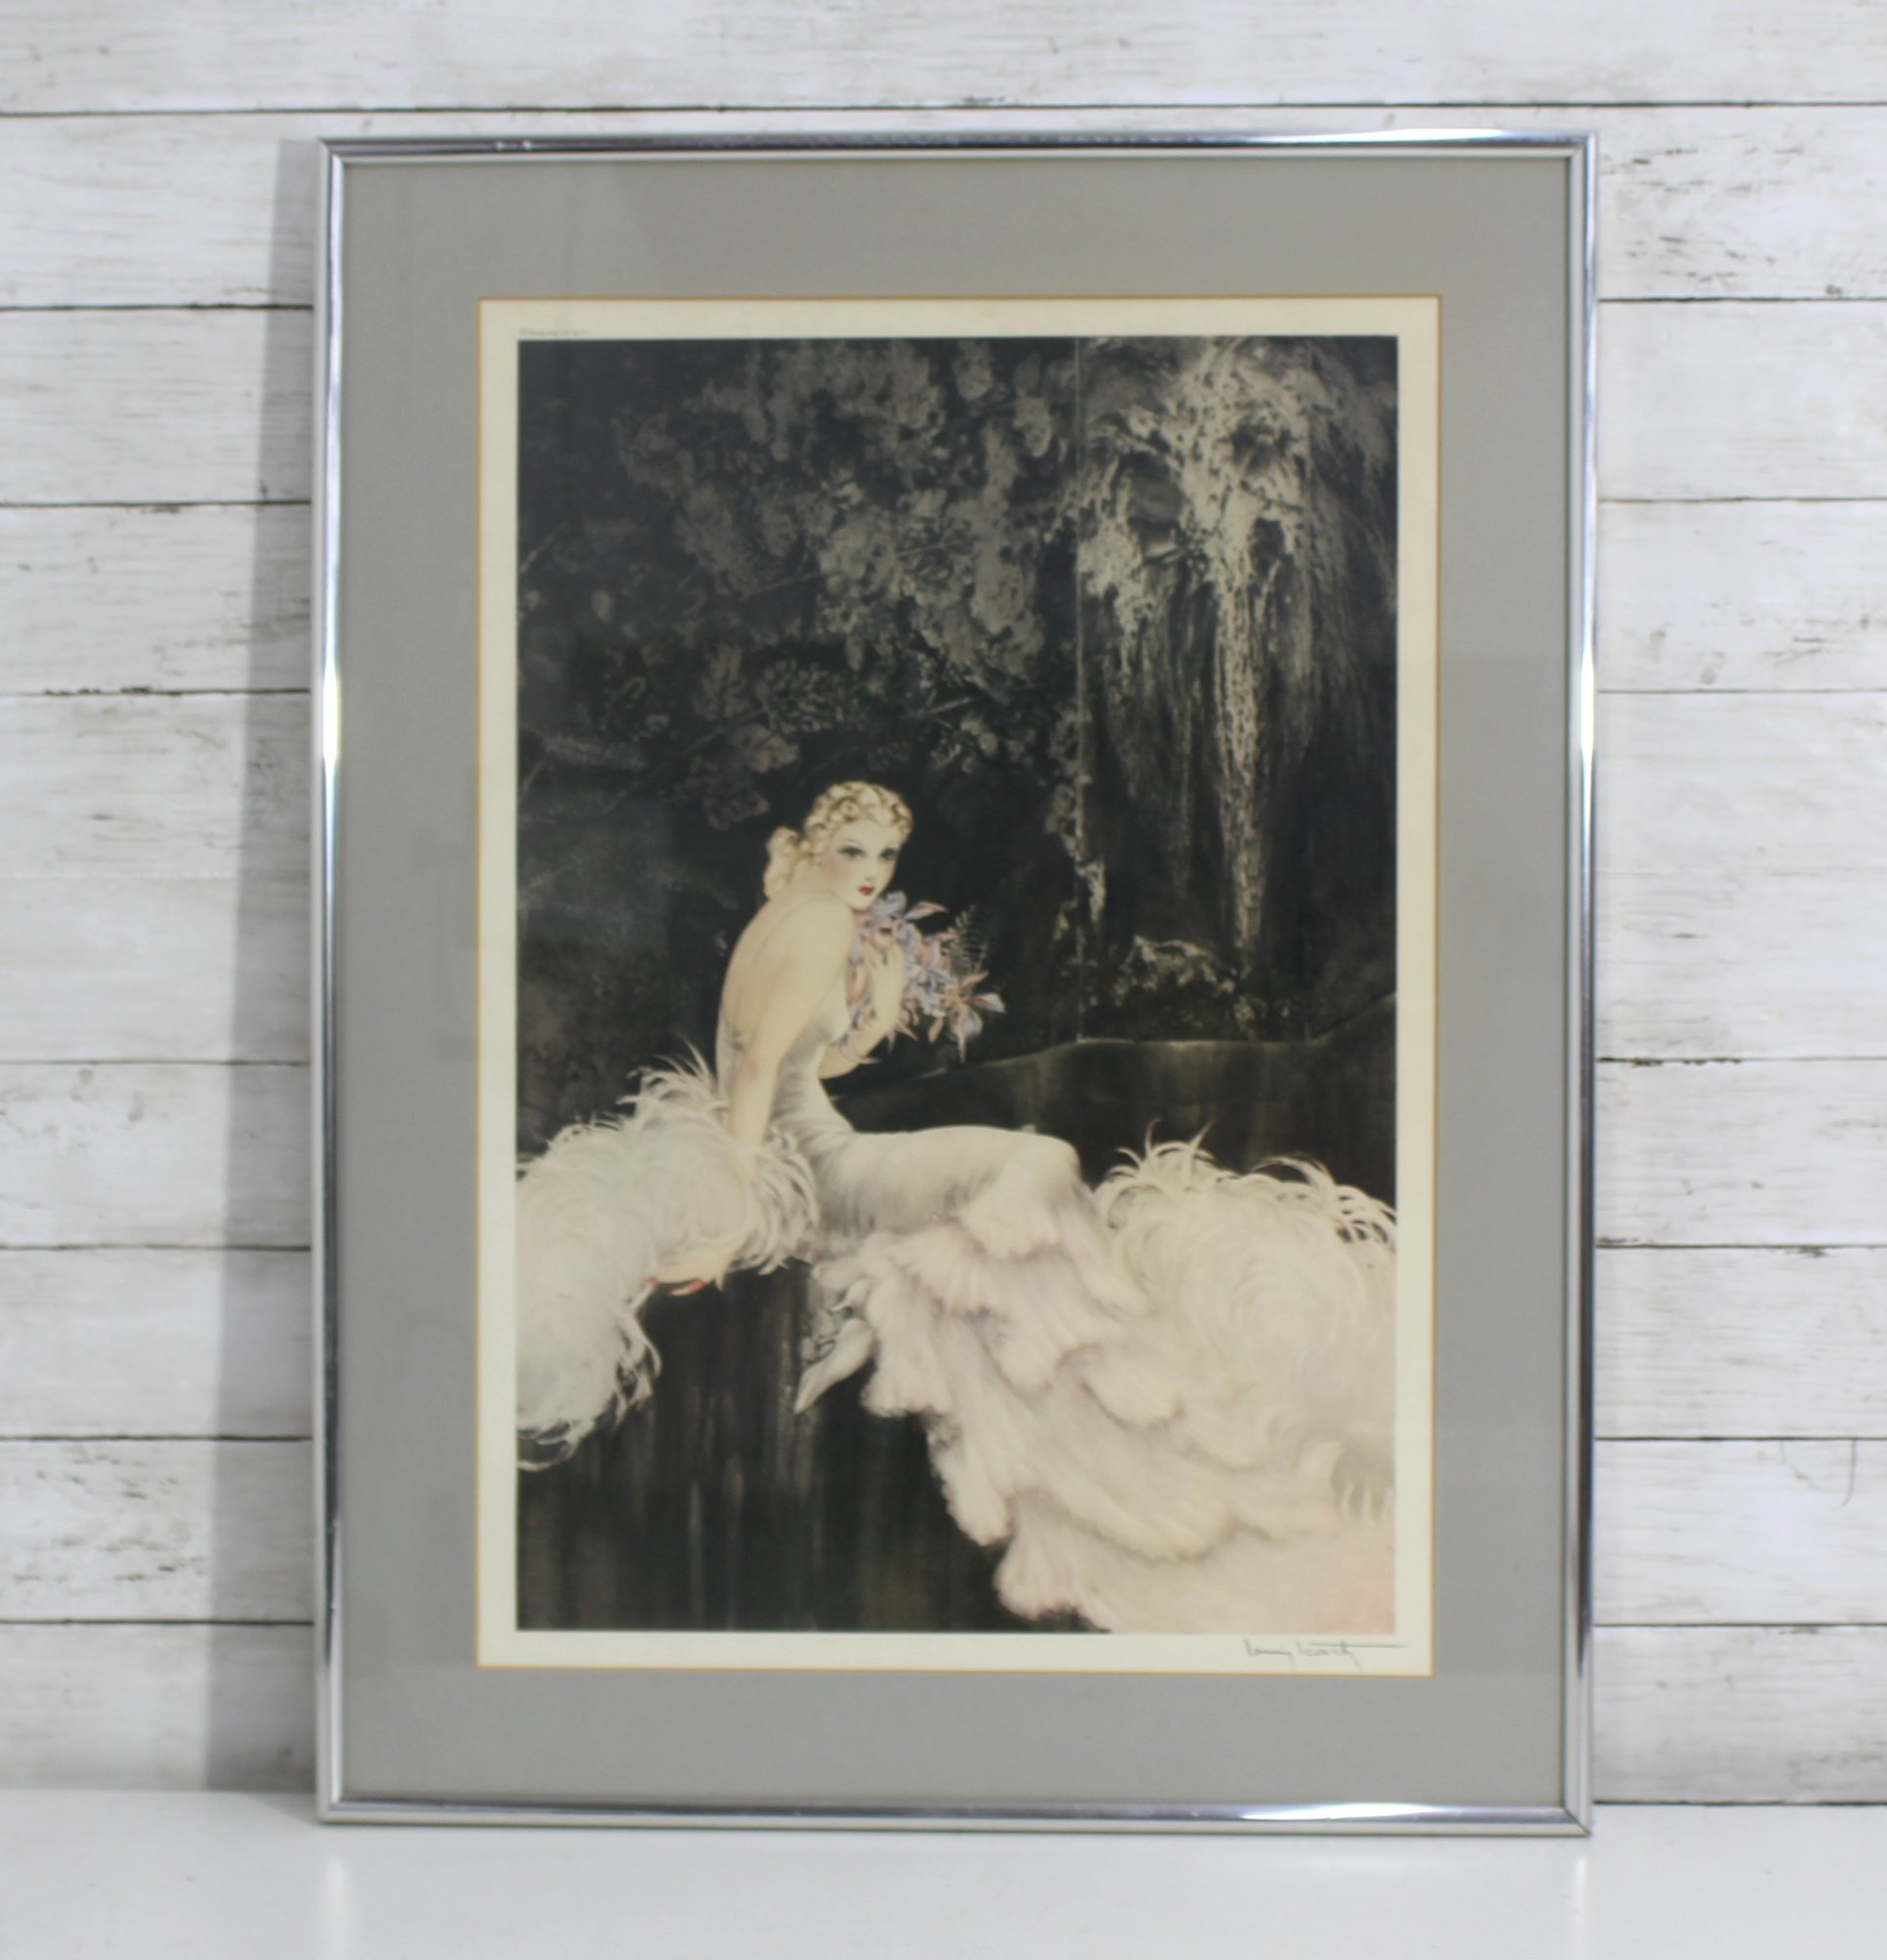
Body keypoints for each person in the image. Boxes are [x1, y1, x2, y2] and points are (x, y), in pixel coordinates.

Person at [515, 782, 1398, 1634]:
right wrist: (734, 1216)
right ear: (817, 847)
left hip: (806, 1143)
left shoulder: (783, 917)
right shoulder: (820, 924)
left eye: (887, 855)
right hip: (819, 1166)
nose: (872, 872)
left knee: (1029, 1170)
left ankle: (1018, 1356)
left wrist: (876, 1015)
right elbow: (751, 1073)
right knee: (1040, 1162)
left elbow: (792, 1063)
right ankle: (1036, 1384)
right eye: (854, 850)